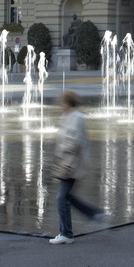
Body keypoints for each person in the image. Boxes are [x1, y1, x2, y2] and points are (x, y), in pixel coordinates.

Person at [49, 90, 108, 244]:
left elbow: (74, 141)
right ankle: (93, 213)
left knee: (61, 198)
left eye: (62, 102)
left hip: (72, 163)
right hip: (69, 162)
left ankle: (67, 234)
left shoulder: (76, 118)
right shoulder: (69, 116)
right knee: (66, 197)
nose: (61, 105)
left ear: (68, 103)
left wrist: (61, 150)